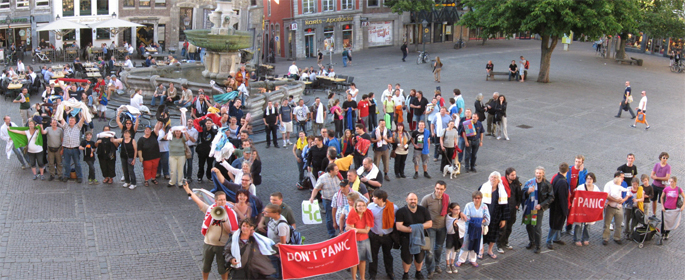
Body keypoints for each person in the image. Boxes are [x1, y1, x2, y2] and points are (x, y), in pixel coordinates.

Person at [183, 183, 239, 280]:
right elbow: (198, 201)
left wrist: (224, 220)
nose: (223, 202)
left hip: (222, 245)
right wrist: (188, 190)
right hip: (208, 243)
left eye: (224, 199)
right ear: (216, 200)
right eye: (220, 200)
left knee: (223, 268)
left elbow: (230, 231)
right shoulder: (210, 210)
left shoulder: (230, 213)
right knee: (205, 266)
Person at [395, 193, 433, 279]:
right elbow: (399, 226)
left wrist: (417, 228)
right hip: (406, 239)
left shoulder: (423, 210)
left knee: (420, 258)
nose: (413, 201)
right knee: (407, 259)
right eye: (411, 199)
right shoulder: (401, 211)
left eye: (415, 199)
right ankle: (406, 273)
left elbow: (430, 223)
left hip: (420, 237)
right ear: (406, 200)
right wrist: (412, 230)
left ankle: (418, 272)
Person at [421, 181, 450, 277]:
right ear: (434, 188)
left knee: (439, 248)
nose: (439, 191)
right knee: (429, 250)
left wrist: (460, 213)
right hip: (430, 228)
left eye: (441, 189)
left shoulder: (446, 198)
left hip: (442, 227)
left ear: (444, 189)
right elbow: (421, 211)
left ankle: (436, 264)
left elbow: (450, 208)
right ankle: (430, 269)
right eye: (437, 188)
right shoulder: (427, 199)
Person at [367, 189, 398, 280]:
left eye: (374, 197)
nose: (372, 198)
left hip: (387, 236)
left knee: (388, 255)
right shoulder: (370, 207)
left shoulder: (394, 208)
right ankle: (372, 274)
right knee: (373, 256)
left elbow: (396, 222)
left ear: (380, 199)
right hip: (374, 236)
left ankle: (390, 272)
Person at [522, 166, 554, 254]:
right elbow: (523, 193)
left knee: (537, 227)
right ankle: (531, 241)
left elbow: (551, 197)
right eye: (537, 173)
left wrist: (541, 205)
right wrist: (528, 192)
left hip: (539, 209)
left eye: (540, 173)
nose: (538, 175)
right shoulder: (530, 182)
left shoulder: (547, 184)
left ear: (543, 174)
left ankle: (538, 245)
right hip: (530, 207)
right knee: (528, 225)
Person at [456, 191, 490, 267]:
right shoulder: (468, 205)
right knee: (466, 244)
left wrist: (478, 221)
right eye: (475, 198)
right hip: (469, 229)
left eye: (479, 198)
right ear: (473, 198)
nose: (477, 200)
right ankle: (461, 259)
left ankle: (473, 259)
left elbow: (487, 218)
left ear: (481, 199)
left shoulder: (484, 206)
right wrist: (478, 221)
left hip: (478, 229)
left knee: (476, 243)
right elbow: (466, 217)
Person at [309, 163, 341, 238]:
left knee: (339, 215)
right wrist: (312, 197)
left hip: (337, 199)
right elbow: (316, 188)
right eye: (336, 170)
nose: (338, 171)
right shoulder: (322, 178)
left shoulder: (337, 176)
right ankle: (332, 233)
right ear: (331, 171)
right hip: (328, 200)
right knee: (329, 218)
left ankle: (341, 231)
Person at [495, 168, 521, 253]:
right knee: (502, 228)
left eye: (515, 175)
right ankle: (499, 244)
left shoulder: (516, 183)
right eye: (512, 175)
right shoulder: (501, 183)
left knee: (509, 227)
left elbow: (519, 195)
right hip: (504, 209)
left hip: (512, 208)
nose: (514, 176)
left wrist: (517, 204)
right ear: (507, 175)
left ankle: (505, 242)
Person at [347, 199, 373, 280]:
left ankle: (362, 278)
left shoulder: (368, 214)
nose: (361, 207)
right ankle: (354, 278)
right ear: (356, 207)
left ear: (365, 206)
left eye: (363, 205)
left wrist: (356, 229)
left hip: (364, 240)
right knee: (354, 261)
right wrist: (353, 229)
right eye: (359, 205)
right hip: (353, 241)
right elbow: (349, 228)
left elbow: (366, 231)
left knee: (362, 260)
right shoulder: (352, 214)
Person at [572, 173, 600, 246]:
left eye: (590, 179)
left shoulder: (596, 188)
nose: (589, 180)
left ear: (593, 180)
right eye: (588, 178)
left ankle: (586, 238)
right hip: (581, 209)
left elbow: (599, 197)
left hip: (590, 209)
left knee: (587, 225)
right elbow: (575, 195)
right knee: (579, 224)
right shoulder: (581, 187)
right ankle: (577, 239)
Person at [602, 171, 630, 245]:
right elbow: (606, 195)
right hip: (610, 207)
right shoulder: (609, 184)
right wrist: (616, 200)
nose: (623, 179)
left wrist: (623, 200)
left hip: (619, 207)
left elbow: (626, 193)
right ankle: (605, 238)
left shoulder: (623, 184)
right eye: (622, 177)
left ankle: (617, 237)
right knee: (607, 224)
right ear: (617, 177)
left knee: (619, 223)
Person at [547, 163, 570, 249]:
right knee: (555, 224)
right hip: (559, 207)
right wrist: (565, 210)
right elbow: (563, 198)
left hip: (554, 205)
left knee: (557, 224)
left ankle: (557, 238)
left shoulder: (556, 177)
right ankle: (549, 240)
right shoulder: (563, 182)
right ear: (567, 170)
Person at [61, 111, 86, 183]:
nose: (71, 122)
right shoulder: (65, 126)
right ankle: (66, 175)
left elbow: (82, 119)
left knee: (77, 163)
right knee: (66, 163)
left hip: (75, 149)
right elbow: (61, 119)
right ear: (68, 121)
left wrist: (83, 110)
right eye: (70, 120)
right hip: (66, 148)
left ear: (75, 121)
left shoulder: (78, 127)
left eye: (72, 120)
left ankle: (79, 176)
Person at [565, 155, 588, 234]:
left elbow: (583, 183)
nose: (577, 163)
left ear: (582, 162)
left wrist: (581, 172)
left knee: (572, 212)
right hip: (568, 194)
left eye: (579, 162)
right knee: (565, 211)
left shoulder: (584, 171)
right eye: (576, 161)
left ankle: (569, 228)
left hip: (577, 196)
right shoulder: (569, 169)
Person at [445, 202, 465, 274]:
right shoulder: (448, 218)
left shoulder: (460, 217)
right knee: (448, 250)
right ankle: (447, 264)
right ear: (451, 210)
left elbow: (463, 225)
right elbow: (449, 228)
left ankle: (452, 264)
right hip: (450, 236)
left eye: (459, 209)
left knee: (454, 250)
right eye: (456, 209)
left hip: (457, 236)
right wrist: (453, 223)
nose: (458, 211)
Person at [650, 152, 671, 217]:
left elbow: (667, 178)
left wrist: (657, 178)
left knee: (663, 202)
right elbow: (652, 175)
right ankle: (654, 214)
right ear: (660, 158)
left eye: (666, 158)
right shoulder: (656, 165)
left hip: (662, 187)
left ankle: (663, 215)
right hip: (654, 185)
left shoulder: (668, 167)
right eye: (664, 158)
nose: (665, 159)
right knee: (653, 200)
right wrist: (658, 178)